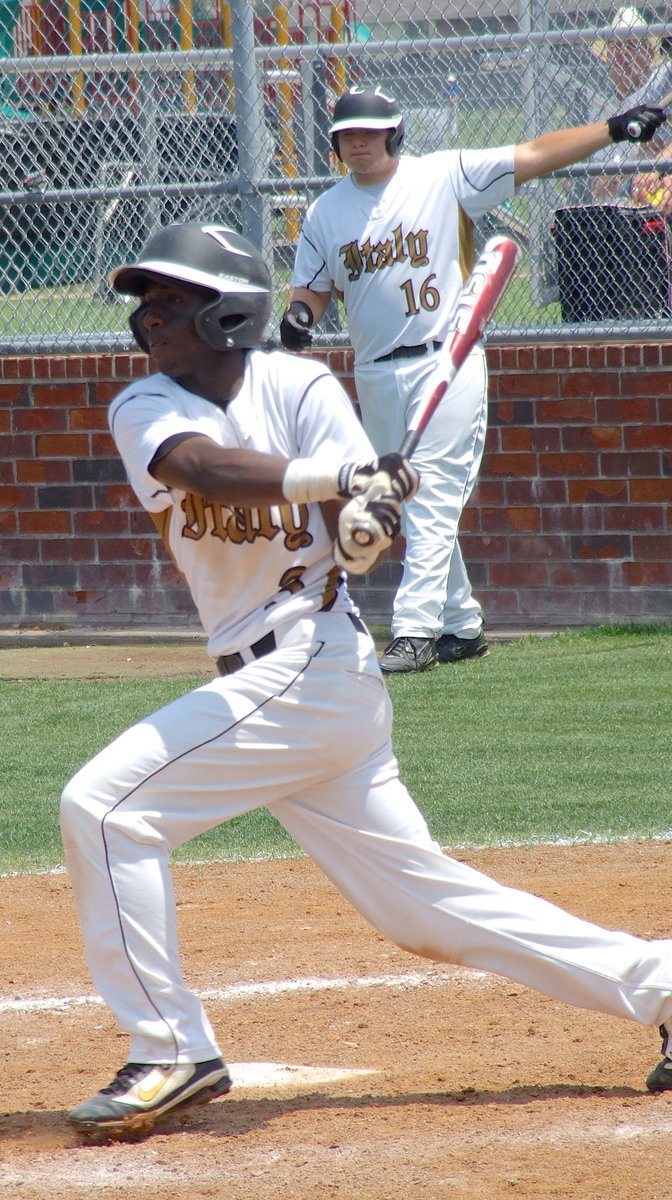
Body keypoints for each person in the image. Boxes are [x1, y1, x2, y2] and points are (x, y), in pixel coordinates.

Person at [61, 220, 672, 1142]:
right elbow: (209, 472)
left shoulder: (298, 384)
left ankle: (171, 1049)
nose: (148, 317)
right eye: (145, 302)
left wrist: (370, 517)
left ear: (229, 314)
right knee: (419, 908)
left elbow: (364, 517)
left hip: (310, 661)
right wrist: (343, 479)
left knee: (105, 808)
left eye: (172, 300)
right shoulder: (144, 406)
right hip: (284, 683)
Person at [279, 86, 668, 674]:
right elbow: (312, 285)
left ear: (394, 134)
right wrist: (301, 316)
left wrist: (612, 129)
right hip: (375, 371)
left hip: (447, 359)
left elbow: (534, 154)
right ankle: (462, 625)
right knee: (408, 500)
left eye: (368, 133)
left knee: (430, 495)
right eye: (346, 135)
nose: (357, 144)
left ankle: (414, 631)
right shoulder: (326, 210)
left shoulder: (443, 175)